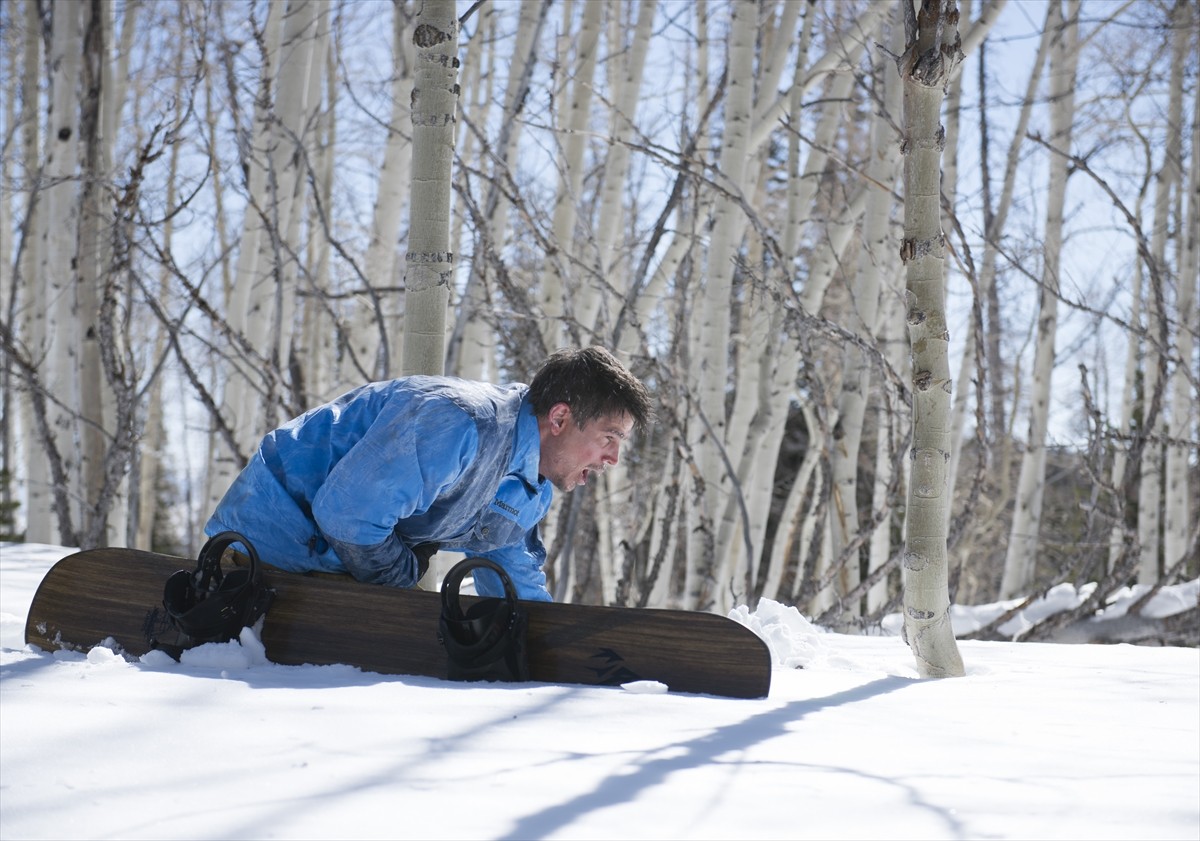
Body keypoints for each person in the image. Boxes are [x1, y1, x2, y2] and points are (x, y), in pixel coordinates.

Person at [203, 346, 653, 601]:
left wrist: (553, 654)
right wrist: (404, 580)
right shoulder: (459, 421)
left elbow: (515, 583)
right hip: (261, 556)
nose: (612, 459)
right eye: (609, 437)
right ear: (559, 419)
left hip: (334, 582)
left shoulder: (531, 488)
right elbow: (348, 515)